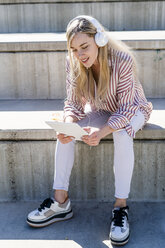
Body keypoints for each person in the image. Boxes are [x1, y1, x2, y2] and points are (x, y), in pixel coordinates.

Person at [27, 15, 153, 245]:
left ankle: (120, 208)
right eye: (74, 49)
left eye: (84, 46)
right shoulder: (73, 62)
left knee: (122, 131)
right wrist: (68, 123)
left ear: (100, 40)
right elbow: (73, 103)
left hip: (134, 109)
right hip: (102, 109)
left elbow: (124, 111)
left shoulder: (122, 60)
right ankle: (60, 202)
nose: (80, 54)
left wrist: (101, 132)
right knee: (65, 132)